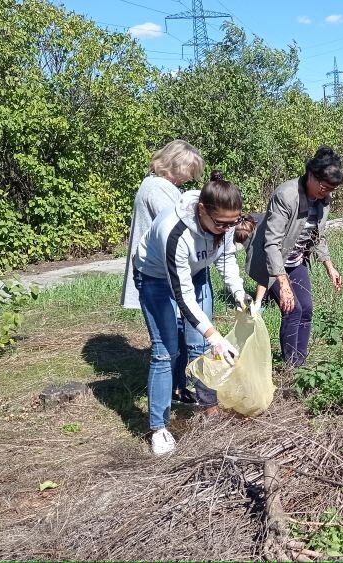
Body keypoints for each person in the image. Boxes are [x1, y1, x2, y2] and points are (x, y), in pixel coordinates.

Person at [134, 171, 252, 455]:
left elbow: (225, 258)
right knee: (166, 351)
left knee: (199, 345)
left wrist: (238, 292)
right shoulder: (175, 233)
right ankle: (159, 428)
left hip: (196, 273)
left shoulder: (222, 225)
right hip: (155, 279)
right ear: (202, 210)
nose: (226, 229)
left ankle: (207, 406)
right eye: (221, 223)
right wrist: (215, 336)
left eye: (231, 223)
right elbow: (182, 297)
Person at [120, 140, 205, 405]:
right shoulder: (158, 188)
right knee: (169, 341)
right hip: (158, 270)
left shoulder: (155, 184)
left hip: (162, 267)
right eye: (187, 171)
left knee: (176, 332)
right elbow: (179, 223)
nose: (188, 178)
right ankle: (174, 390)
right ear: (174, 165)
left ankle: (178, 387)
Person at [245, 146, 343, 367]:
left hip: (296, 261)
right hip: (272, 263)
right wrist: (283, 284)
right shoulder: (286, 195)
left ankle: (300, 362)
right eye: (324, 186)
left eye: (332, 190)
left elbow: (319, 235)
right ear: (311, 174)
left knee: (306, 309)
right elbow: (271, 243)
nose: (327, 193)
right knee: (293, 308)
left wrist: (330, 267)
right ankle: (291, 367)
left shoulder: (324, 200)